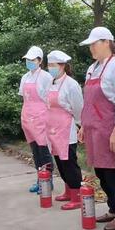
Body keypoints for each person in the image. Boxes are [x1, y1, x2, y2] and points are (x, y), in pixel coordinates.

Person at [78, 27, 115, 230]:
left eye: (94, 43)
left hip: (110, 129)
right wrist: (83, 125)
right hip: (93, 129)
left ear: (106, 42)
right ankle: (112, 208)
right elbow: (88, 100)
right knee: (101, 171)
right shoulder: (93, 68)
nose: (91, 48)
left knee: (114, 172)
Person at [45, 50, 84, 210]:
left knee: (69, 163)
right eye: (49, 65)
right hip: (53, 129)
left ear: (62, 66)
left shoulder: (71, 84)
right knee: (60, 162)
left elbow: (78, 107)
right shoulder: (51, 82)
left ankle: (77, 196)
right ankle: (68, 191)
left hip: (66, 129)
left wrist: (80, 124)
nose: (50, 68)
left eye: (53, 65)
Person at [19, 46, 54, 193]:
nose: (29, 62)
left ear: (40, 61)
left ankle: (47, 181)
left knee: (44, 150)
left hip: (41, 118)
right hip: (28, 118)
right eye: (27, 60)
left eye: (32, 60)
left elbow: (50, 99)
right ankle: (39, 178)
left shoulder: (46, 77)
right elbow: (24, 98)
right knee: (35, 151)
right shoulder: (25, 77)